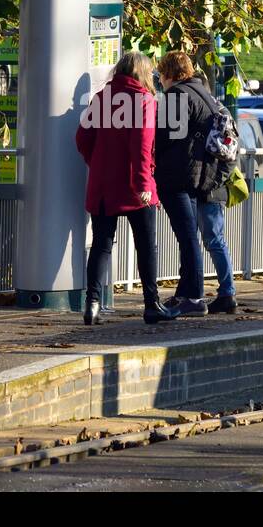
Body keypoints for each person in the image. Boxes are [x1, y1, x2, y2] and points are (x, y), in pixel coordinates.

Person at [76, 51, 179, 325]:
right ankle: (151, 304)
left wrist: (96, 162)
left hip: (102, 185)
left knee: (101, 244)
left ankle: (92, 305)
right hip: (135, 186)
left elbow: (82, 137)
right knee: (146, 246)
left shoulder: (101, 98)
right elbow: (143, 145)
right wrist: (144, 182)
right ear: (144, 73)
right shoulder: (144, 101)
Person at [154, 52, 237, 316]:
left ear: (169, 73)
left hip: (181, 175)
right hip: (202, 176)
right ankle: (188, 294)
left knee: (189, 239)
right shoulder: (203, 93)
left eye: (160, 74)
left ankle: (193, 296)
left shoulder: (177, 96)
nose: (159, 80)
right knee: (195, 239)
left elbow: (164, 138)